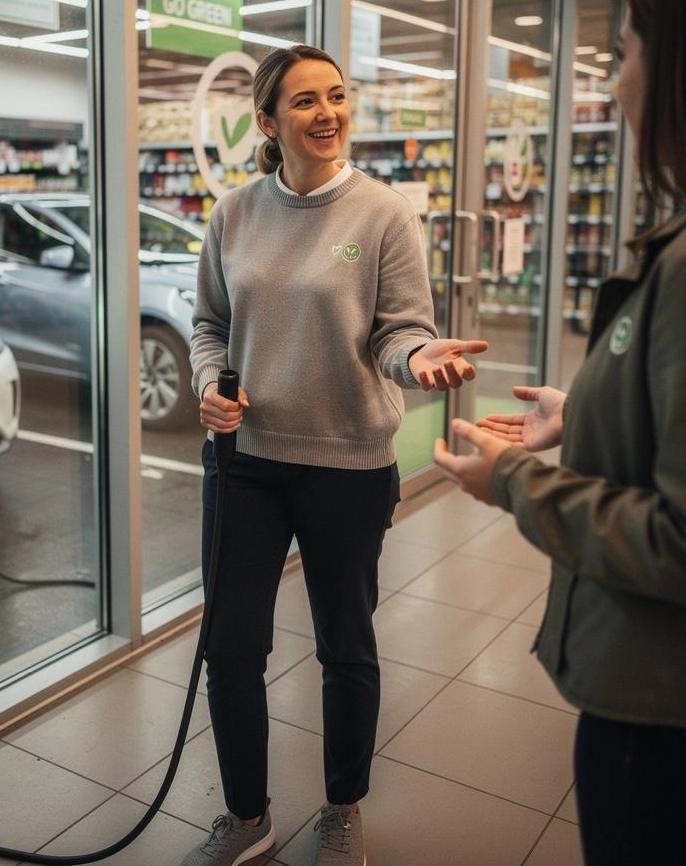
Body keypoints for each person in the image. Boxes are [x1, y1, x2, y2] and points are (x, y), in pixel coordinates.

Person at [181, 44, 487, 866]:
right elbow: (209, 326)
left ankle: (343, 806)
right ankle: (247, 817)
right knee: (233, 646)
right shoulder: (234, 213)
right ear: (269, 123)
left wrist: (417, 359)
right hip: (243, 459)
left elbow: (401, 329)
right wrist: (209, 384)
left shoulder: (383, 213)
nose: (328, 114)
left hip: (348, 462)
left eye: (338, 97)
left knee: (345, 642)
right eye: (306, 102)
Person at [433, 0, 686, 866]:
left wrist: (516, 479)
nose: (614, 86)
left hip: (657, 714)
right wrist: (580, 420)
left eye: (623, 54)